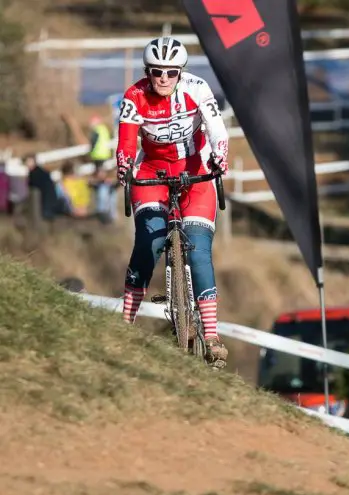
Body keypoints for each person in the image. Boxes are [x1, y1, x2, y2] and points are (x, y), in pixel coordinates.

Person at [116, 36, 230, 367]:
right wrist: (124, 164)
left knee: (198, 246)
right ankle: (125, 326)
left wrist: (219, 159)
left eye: (170, 72)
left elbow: (217, 131)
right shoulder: (134, 97)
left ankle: (211, 336)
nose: (163, 78)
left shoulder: (198, 88)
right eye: (156, 71)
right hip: (151, 172)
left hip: (194, 170)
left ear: (181, 72)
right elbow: (125, 141)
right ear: (147, 72)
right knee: (149, 242)